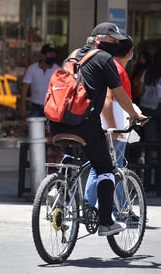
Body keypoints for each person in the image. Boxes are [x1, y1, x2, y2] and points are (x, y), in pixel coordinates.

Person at [48, 22, 147, 236]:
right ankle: (105, 223)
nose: (116, 45)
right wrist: (134, 114)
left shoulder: (72, 56)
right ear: (99, 40)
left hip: (57, 122)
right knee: (105, 168)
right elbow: (118, 94)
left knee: (72, 156)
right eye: (113, 40)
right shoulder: (104, 59)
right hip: (84, 123)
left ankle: (60, 191)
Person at [84, 36, 137, 212]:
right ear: (129, 53)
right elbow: (108, 99)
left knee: (105, 168)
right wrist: (113, 127)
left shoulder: (113, 66)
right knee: (108, 168)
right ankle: (111, 209)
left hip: (111, 126)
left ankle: (97, 208)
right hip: (114, 127)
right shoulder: (115, 68)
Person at [20, 44, 59, 117]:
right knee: (35, 127)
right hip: (36, 106)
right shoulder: (32, 69)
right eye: (50, 54)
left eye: (54, 55)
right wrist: (23, 107)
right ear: (43, 55)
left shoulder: (58, 70)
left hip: (52, 107)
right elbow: (25, 88)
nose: (52, 57)